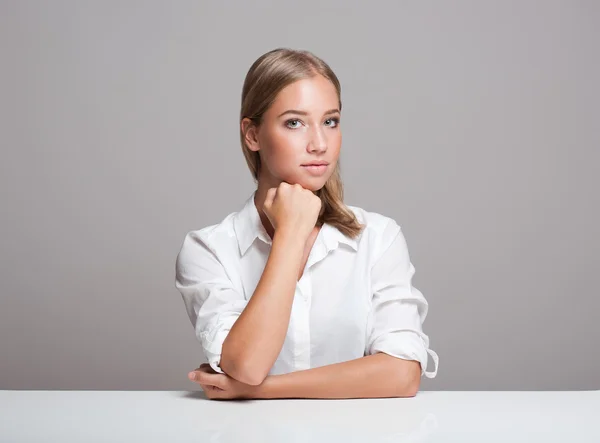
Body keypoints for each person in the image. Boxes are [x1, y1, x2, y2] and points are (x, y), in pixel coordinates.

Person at [174, 48, 439, 400]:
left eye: (330, 121)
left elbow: (403, 374)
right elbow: (246, 365)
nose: (319, 144)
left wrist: (259, 390)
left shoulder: (378, 238)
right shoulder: (209, 250)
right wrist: (290, 234)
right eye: (294, 123)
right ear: (252, 135)